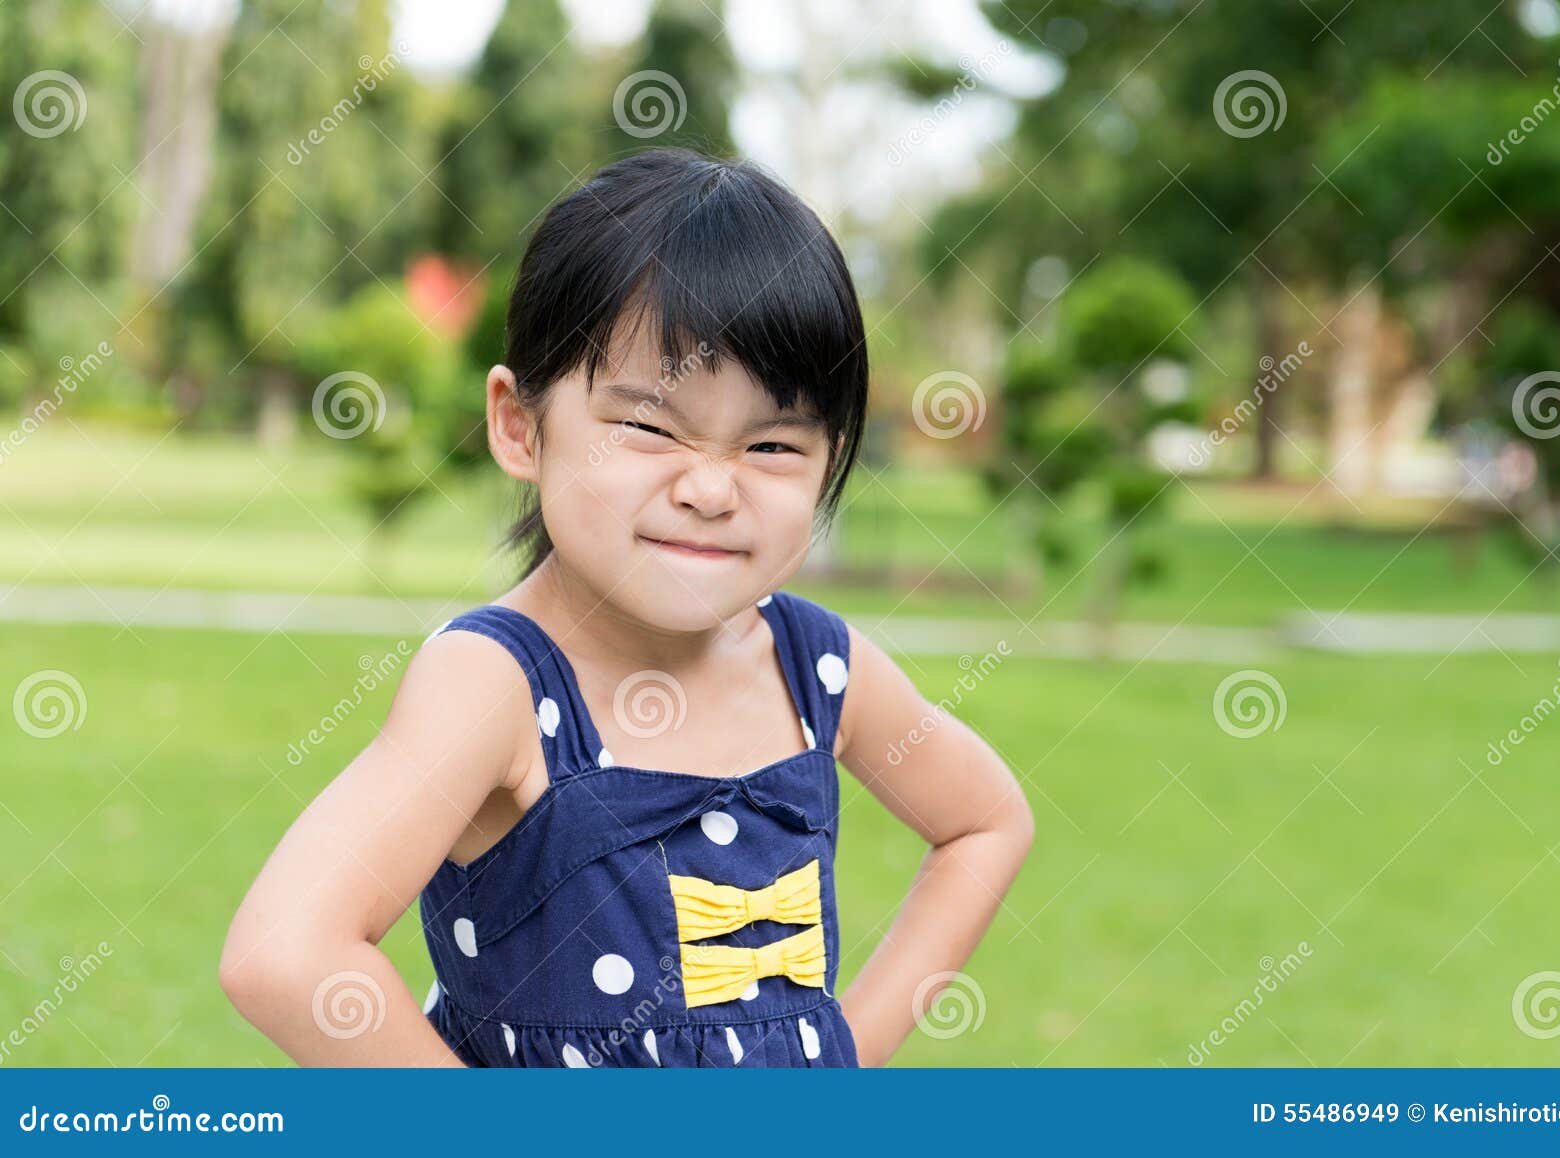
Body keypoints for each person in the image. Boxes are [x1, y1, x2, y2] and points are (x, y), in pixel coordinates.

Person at [220, 148, 1033, 1067]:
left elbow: (985, 821)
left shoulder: (818, 668)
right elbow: (285, 954)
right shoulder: (498, 688)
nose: (712, 488)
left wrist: (846, 1053)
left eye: (772, 445)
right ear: (520, 425)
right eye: (649, 427)